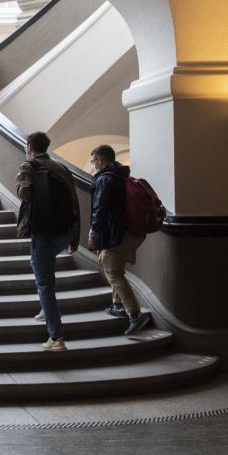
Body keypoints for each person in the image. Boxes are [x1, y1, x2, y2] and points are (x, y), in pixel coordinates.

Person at [16, 131, 80, 352]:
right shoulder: (61, 168)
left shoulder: (28, 167)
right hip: (64, 232)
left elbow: (25, 195)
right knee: (37, 265)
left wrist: (19, 184)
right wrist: (75, 238)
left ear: (30, 147)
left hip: (42, 232)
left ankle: (56, 337)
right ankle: (46, 308)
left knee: (45, 284)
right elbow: (74, 202)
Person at [88, 144, 152, 335]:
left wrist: (93, 233)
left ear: (100, 160)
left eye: (93, 161)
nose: (93, 165)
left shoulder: (104, 179)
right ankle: (117, 305)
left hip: (117, 233)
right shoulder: (124, 175)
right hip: (134, 231)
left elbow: (99, 209)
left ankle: (134, 314)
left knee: (113, 271)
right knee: (114, 268)